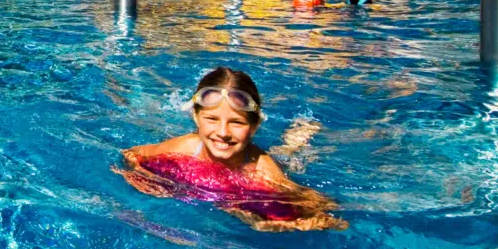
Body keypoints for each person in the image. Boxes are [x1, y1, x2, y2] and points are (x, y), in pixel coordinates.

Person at [120, 67, 347, 232]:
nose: (223, 132)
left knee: (287, 156)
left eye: (237, 123)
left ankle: (297, 138)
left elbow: (323, 210)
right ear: (196, 118)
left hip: (260, 162)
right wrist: (142, 178)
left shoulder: (263, 170)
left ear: (255, 126)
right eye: (211, 119)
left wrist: (289, 224)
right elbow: (131, 154)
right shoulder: (187, 146)